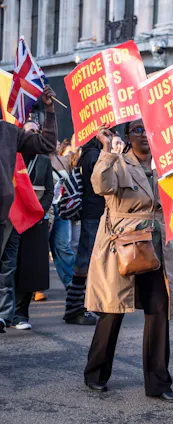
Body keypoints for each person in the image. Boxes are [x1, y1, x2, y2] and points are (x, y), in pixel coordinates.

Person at [82, 121, 173, 404]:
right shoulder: (117, 161)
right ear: (127, 136)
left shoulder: (166, 166)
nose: (145, 135)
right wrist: (107, 150)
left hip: (157, 244)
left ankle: (159, 382)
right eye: (138, 130)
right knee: (113, 310)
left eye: (149, 128)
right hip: (122, 245)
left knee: (159, 310)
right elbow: (100, 185)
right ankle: (96, 373)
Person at [0, 85, 58, 333]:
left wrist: (50, 109)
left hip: (5, 215)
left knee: (6, 267)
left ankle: (4, 316)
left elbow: (46, 144)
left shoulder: (8, 132)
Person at [9, 121, 54, 329]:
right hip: (11, 219)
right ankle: (5, 313)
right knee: (9, 267)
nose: (34, 135)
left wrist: (38, 213)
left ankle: (21, 314)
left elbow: (50, 192)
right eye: (30, 132)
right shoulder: (11, 156)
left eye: (37, 131)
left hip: (34, 220)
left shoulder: (44, 160)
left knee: (29, 269)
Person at [64, 123, 107, 326]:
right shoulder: (94, 156)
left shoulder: (86, 155)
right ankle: (74, 309)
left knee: (86, 260)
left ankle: (79, 307)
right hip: (94, 214)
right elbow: (103, 183)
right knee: (85, 262)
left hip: (90, 213)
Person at [47, 139, 76, 293]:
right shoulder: (39, 160)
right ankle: (34, 287)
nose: (56, 142)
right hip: (44, 209)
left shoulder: (63, 160)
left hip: (61, 209)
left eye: (57, 140)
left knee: (63, 246)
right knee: (39, 250)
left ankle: (72, 285)